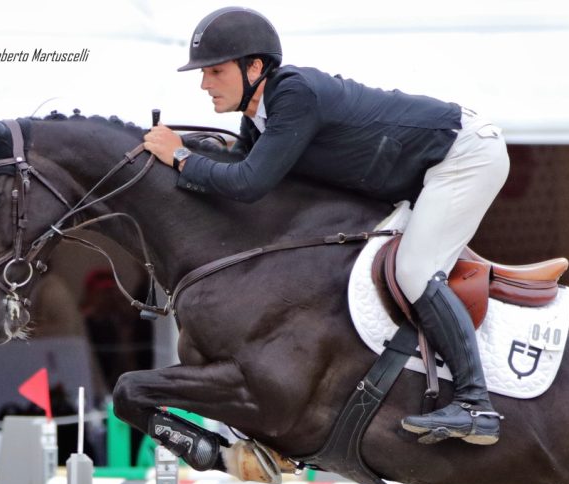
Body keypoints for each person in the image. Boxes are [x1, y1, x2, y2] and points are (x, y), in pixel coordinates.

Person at [143, 7, 509, 445]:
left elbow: (247, 184)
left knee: (414, 269)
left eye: (215, 71)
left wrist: (180, 157)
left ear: (254, 67)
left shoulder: (295, 94)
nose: (205, 84)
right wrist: (187, 149)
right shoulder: (258, 118)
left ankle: (475, 404)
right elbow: (244, 166)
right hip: (424, 174)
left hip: (463, 157)